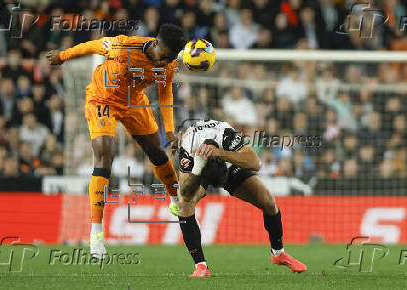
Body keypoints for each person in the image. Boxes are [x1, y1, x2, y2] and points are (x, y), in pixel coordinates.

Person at [46, 24, 187, 258]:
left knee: (157, 153)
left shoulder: (169, 64)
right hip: (102, 100)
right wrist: (63, 55)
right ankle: (96, 234)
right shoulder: (123, 46)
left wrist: (170, 129)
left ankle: (175, 198)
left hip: (134, 103)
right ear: (154, 44)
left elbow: (165, 93)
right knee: (104, 156)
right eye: (163, 57)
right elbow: (92, 46)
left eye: (170, 58)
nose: (164, 63)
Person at [177, 120, 307, 277]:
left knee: (268, 201)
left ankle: (278, 254)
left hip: (227, 162)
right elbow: (184, 193)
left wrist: (220, 154)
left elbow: (255, 163)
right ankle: (201, 266)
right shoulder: (187, 145)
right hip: (200, 167)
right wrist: (197, 168)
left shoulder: (225, 134)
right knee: (185, 205)